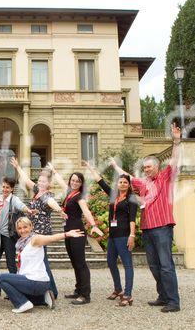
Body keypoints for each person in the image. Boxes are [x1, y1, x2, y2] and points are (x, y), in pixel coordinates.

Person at [111, 123, 182, 313]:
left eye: (149, 167)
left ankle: (173, 301)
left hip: (163, 227)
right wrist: (116, 166)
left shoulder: (166, 177)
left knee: (166, 265)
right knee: (154, 265)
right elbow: (126, 177)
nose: (147, 170)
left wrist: (176, 141)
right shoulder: (143, 184)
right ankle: (163, 296)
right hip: (148, 228)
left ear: (157, 167)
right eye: (145, 167)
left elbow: (174, 161)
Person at [0, 217, 85, 313]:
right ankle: (44, 298)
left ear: (31, 227)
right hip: (38, 283)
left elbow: (51, 238)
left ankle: (22, 303)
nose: (22, 230)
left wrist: (66, 234)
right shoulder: (22, 243)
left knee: (1, 278)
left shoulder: (35, 239)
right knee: (15, 290)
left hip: (36, 281)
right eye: (20, 228)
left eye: (25, 227)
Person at [9, 157, 66, 298]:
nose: (40, 183)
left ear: (48, 184)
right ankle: (48, 290)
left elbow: (52, 202)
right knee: (40, 261)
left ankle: (51, 290)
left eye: (43, 182)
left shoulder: (46, 195)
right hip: (34, 232)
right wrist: (17, 167)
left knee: (43, 261)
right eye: (39, 181)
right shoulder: (37, 191)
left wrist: (60, 211)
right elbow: (27, 180)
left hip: (42, 232)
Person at [48, 164, 104, 305]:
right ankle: (78, 290)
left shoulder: (80, 197)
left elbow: (86, 211)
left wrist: (93, 225)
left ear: (81, 184)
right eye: (73, 180)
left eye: (77, 181)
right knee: (74, 263)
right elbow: (61, 181)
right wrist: (54, 171)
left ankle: (85, 295)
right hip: (68, 232)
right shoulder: (69, 192)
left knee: (81, 264)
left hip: (77, 232)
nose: (74, 183)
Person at [85, 161, 138, 306]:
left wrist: (132, 235)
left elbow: (132, 219)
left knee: (127, 264)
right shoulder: (114, 196)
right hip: (113, 235)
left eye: (125, 182)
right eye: (120, 182)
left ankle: (128, 295)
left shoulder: (131, 200)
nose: (122, 184)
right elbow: (101, 182)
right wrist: (90, 168)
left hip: (124, 235)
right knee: (110, 262)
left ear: (129, 184)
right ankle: (118, 290)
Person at [0, 177, 36, 297]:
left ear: (12, 189)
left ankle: (14, 289)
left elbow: (21, 206)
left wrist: (28, 210)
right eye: (3, 187)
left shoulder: (14, 199)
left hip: (8, 236)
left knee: (11, 264)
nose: (4, 189)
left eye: (7, 187)